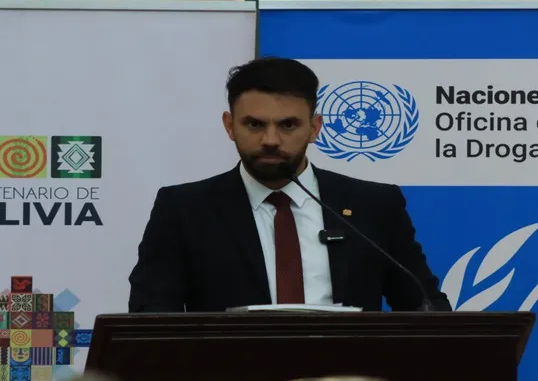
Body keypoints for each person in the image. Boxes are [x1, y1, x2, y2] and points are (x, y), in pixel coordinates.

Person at [128, 57, 451, 312]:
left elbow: (424, 305)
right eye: (254, 124)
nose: (270, 140)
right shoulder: (184, 210)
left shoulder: (373, 205)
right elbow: (150, 319)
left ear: (314, 128)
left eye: (288, 125)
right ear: (229, 126)